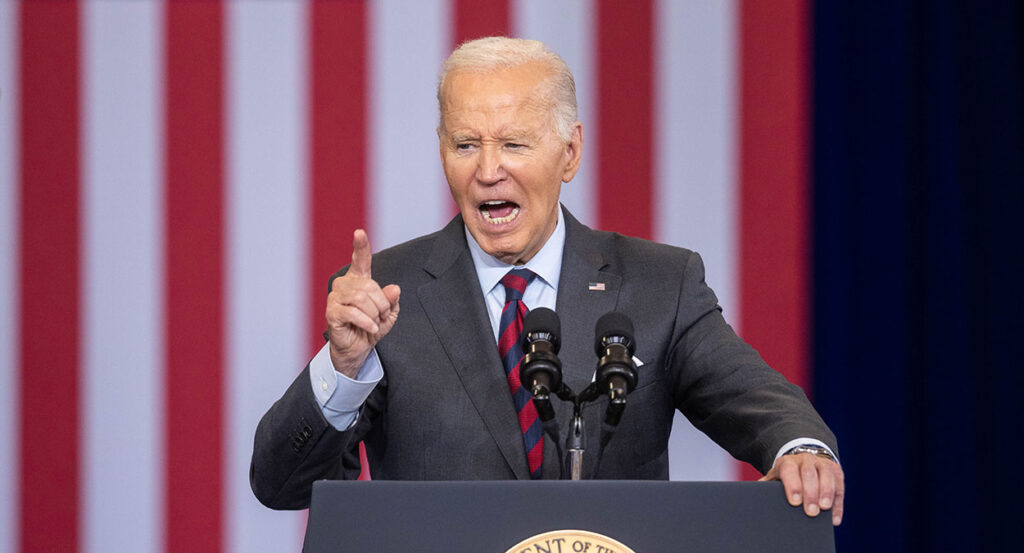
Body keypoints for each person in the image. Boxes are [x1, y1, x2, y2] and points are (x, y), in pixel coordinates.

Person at [250, 36, 844, 526]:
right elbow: (280, 484)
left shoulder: (660, 284)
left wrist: (802, 451)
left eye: (513, 143)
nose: (488, 171)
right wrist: (344, 366)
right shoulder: (386, 295)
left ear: (569, 152)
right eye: (465, 145)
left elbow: (761, 403)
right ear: (441, 152)